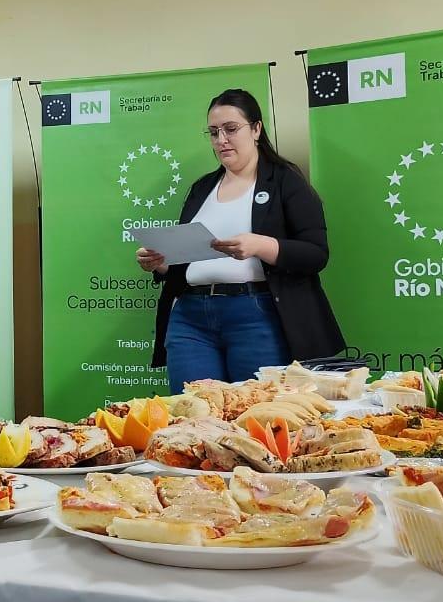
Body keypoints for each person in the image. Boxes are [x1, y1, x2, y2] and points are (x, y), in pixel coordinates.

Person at [137, 89, 345, 393]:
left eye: (231, 129)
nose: (221, 139)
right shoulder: (202, 188)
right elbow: (188, 260)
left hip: (256, 315)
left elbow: (316, 253)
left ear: (256, 129)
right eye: (213, 132)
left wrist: (260, 245)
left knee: (256, 411)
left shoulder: (285, 180)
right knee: (193, 411)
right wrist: (161, 262)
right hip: (191, 318)